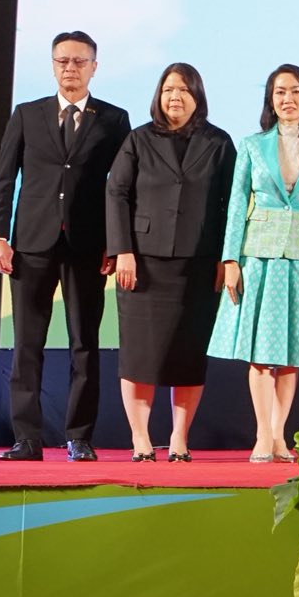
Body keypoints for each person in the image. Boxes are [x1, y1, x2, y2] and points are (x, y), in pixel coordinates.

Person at [0, 30, 131, 461]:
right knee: (27, 344)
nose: (71, 68)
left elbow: (122, 188)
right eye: (63, 61)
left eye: (79, 61)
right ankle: (26, 438)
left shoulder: (113, 119)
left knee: (84, 343)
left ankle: (79, 437)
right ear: (52, 66)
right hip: (31, 243)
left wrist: (116, 243)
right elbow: (4, 178)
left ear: (94, 67)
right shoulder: (27, 114)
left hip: (89, 246)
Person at [209, 64, 299, 462]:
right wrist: (230, 258)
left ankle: (280, 436)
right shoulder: (252, 145)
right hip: (258, 256)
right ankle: (262, 435)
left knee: (291, 354)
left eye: (295, 91)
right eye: (280, 92)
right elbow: (237, 203)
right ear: (270, 100)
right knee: (260, 352)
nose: (288, 99)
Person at [105, 63, 236, 462]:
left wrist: (225, 256)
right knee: (139, 355)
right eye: (168, 89)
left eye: (183, 89)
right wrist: (122, 250)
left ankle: (180, 438)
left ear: (198, 96)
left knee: (189, 354)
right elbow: (116, 193)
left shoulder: (219, 142)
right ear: (158, 96)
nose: (175, 96)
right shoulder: (139, 139)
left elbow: (231, 204)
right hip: (142, 263)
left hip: (199, 263)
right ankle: (140, 439)